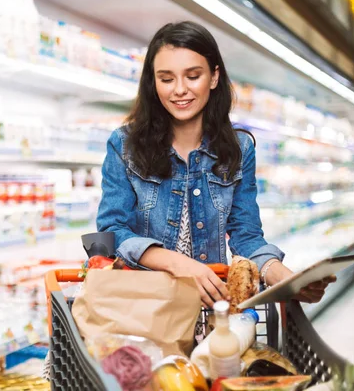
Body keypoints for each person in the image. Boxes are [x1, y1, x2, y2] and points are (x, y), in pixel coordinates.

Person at [96, 21, 335, 308]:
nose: (180, 90)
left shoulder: (238, 149)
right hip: (146, 309)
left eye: (193, 76)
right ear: (153, 82)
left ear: (213, 77)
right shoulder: (124, 145)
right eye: (166, 78)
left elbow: (246, 235)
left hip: (212, 308)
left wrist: (285, 278)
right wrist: (176, 263)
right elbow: (110, 232)